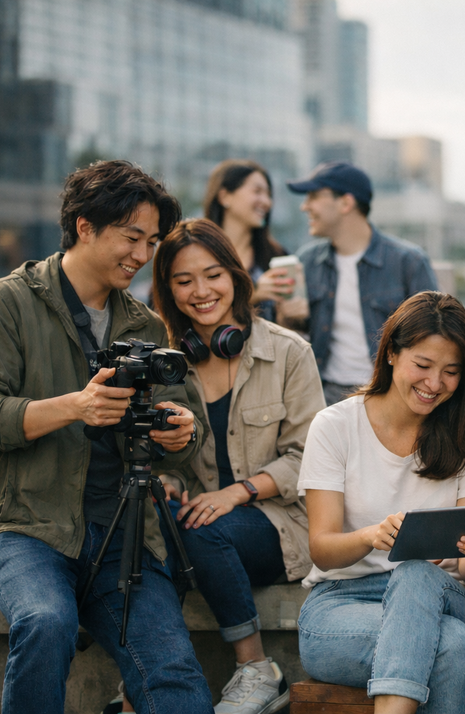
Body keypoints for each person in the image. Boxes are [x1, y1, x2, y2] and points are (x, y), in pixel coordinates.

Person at [0, 160, 213, 713]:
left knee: (172, 673)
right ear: (85, 226)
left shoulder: (145, 324)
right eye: (131, 237)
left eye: (151, 241)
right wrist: (75, 406)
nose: (142, 256)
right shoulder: (12, 303)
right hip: (28, 526)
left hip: (124, 534)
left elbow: (190, 433)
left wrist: (180, 435)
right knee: (45, 622)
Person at [296, 291, 465, 714]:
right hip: (343, 604)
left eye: (451, 372)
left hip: (453, 598)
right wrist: (372, 536)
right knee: (450, 645)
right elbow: (322, 548)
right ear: (392, 352)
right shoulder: (335, 426)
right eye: (423, 366)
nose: (435, 384)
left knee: (416, 574)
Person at [152, 218, 325, 714]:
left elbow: (307, 458)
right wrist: (168, 482)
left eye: (213, 275)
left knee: (204, 530)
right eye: (183, 281)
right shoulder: (166, 365)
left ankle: (255, 669)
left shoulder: (288, 352)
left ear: (236, 276)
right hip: (195, 521)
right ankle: (152, 675)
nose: (201, 292)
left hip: (277, 520)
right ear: (168, 291)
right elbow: (168, 463)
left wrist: (236, 493)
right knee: (154, 531)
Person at [285, 161, 438, 406]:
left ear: (346, 203)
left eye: (313, 196)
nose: (305, 206)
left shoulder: (408, 261)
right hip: (324, 396)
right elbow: (295, 339)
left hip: (391, 395)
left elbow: (436, 337)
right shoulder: (307, 261)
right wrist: (286, 316)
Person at [204, 159, 295, 323]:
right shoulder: (196, 252)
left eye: (269, 195)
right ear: (225, 196)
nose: (267, 202)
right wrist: (253, 295)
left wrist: (294, 314)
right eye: (257, 191)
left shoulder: (276, 255)